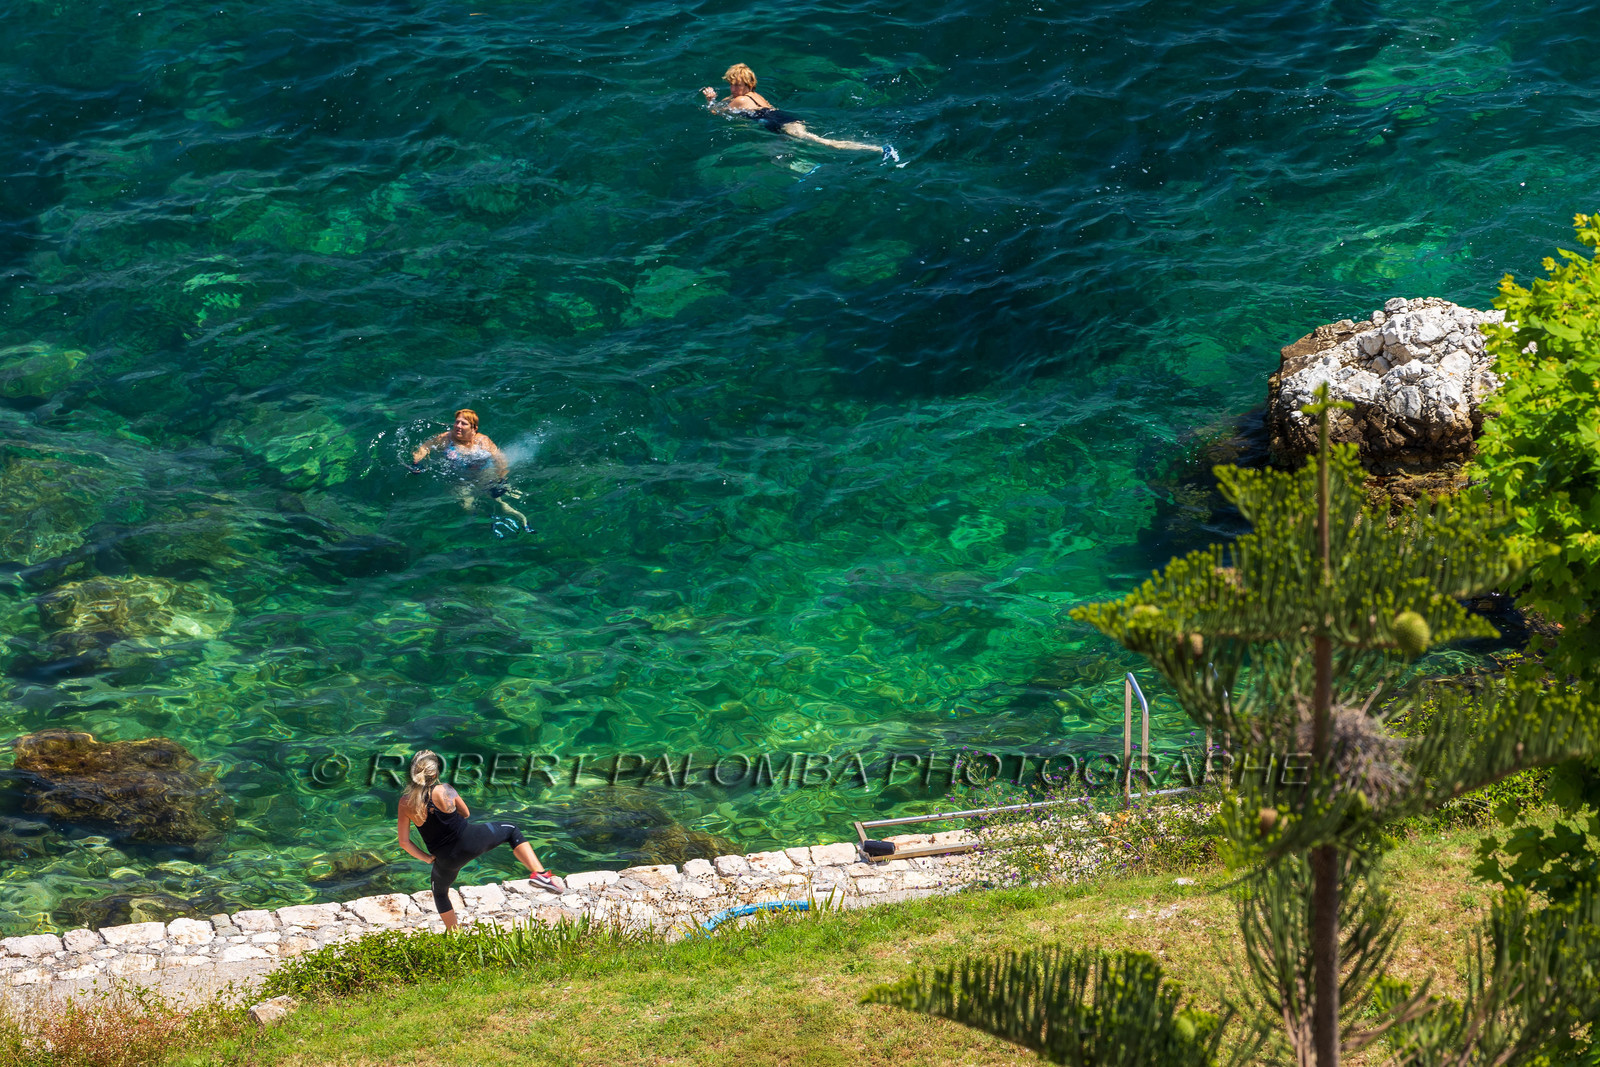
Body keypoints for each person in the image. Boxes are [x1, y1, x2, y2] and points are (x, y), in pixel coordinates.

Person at [397, 750, 566, 929]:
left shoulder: (405, 803)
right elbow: (466, 813)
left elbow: (404, 842)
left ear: (413, 773)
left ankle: (455, 935)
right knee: (511, 830)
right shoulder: (445, 790)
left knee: (439, 893)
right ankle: (540, 875)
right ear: (436, 772)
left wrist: (427, 858)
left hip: (446, 859)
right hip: (471, 841)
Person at [701, 63, 898, 161]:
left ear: (747, 84)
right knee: (775, 154)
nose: (733, 88)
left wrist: (710, 101)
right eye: (731, 84)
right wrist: (718, 101)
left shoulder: (740, 100)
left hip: (780, 124)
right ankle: (801, 165)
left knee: (825, 143)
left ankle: (880, 150)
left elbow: (717, 114)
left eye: (736, 85)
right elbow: (730, 103)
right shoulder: (753, 95)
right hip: (783, 119)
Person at [410, 408, 530, 531]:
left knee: (498, 500)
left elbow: (500, 459)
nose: (458, 426)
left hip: (483, 474)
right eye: (457, 422)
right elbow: (425, 447)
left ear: (474, 428)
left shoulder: (483, 441)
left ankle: (522, 519)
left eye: (464, 423)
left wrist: (502, 479)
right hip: (459, 479)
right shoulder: (446, 438)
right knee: (467, 505)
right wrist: (416, 462)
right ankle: (490, 520)